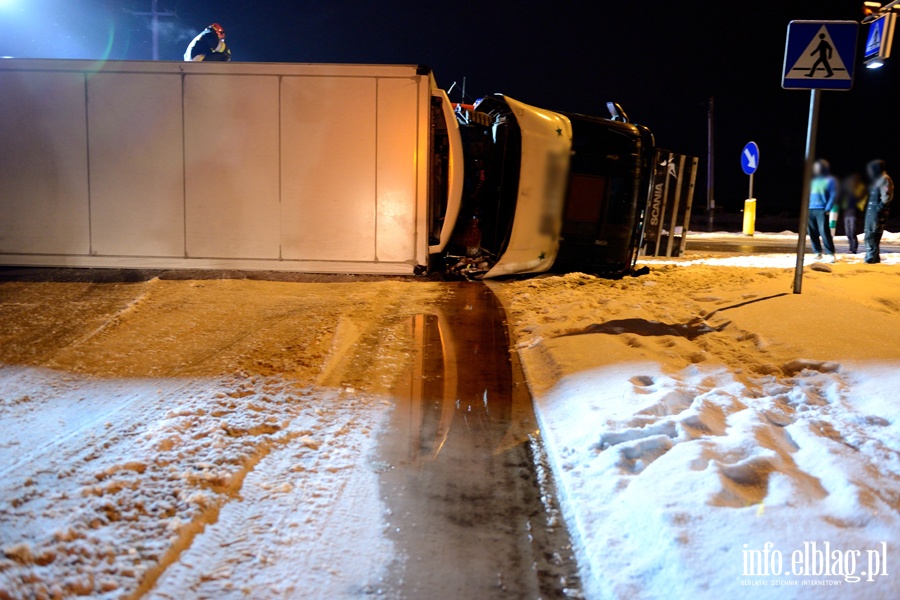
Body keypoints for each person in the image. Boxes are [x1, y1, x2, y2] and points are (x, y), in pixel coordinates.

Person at [864, 159, 894, 264]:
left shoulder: (884, 179)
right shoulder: (877, 179)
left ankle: (870, 260)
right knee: (871, 235)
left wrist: (878, 208)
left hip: (876, 212)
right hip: (872, 211)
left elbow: (887, 196)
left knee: (872, 236)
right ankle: (874, 259)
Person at [808, 159, 837, 262]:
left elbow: (833, 195)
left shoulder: (830, 180)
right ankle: (817, 252)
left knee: (824, 231)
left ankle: (830, 253)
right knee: (812, 232)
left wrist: (828, 208)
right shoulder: (813, 181)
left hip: (822, 209)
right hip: (810, 209)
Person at [841, 173, 867, 254]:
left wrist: (859, 208)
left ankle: (853, 249)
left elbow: (862, 200)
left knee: (852, 232)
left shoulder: (860, 189)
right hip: (847, 214)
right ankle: (851, 248)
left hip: (854, 214)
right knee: (848, 233)